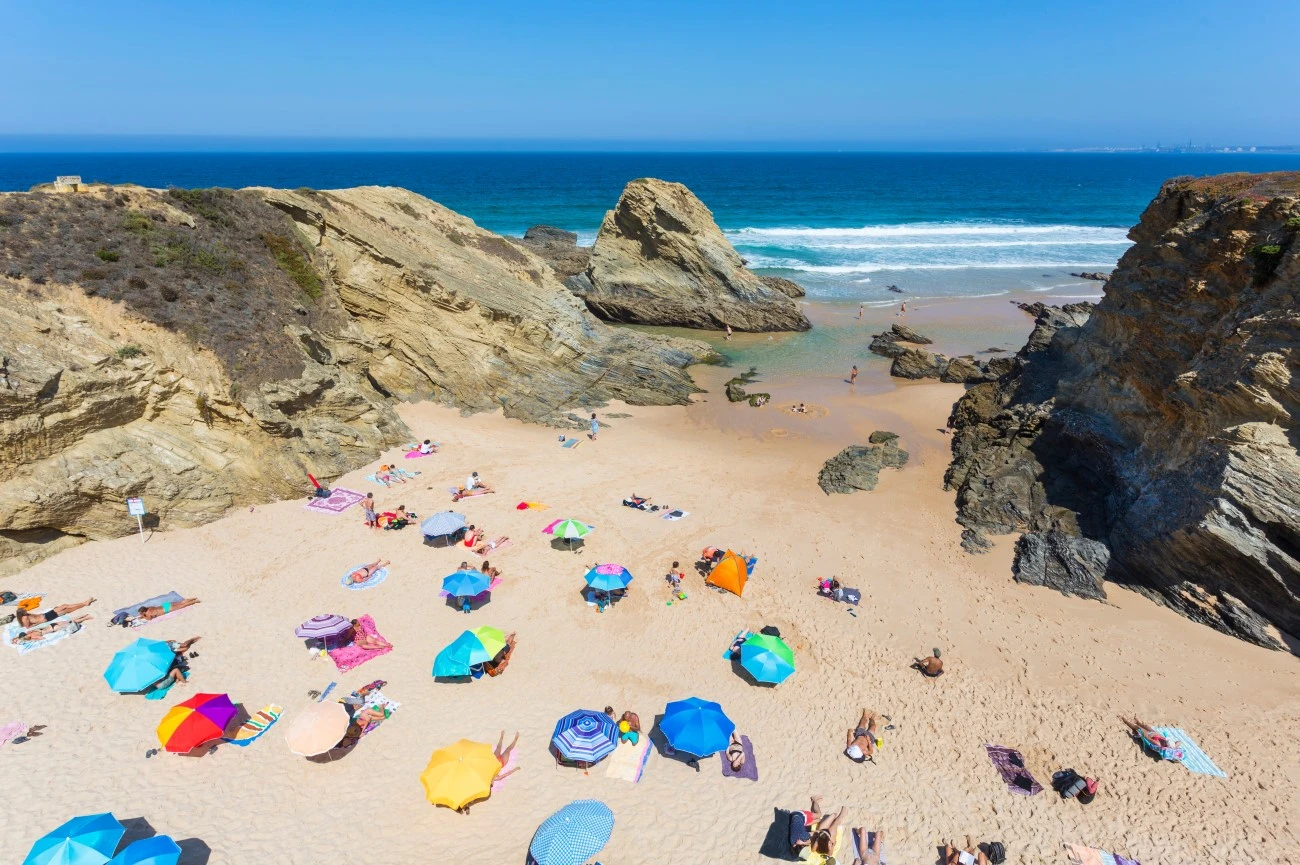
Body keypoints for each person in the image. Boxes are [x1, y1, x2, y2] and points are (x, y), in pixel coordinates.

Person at [1119, 715, 1184, 761]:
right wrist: (1174, 747)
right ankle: (1138, 722)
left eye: (1166, 741)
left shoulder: (1158, 744)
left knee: (1138, 728)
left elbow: (1147, 738)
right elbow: (1179, 742)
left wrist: (1142, 731)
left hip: (1149, 735)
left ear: (1166, 745)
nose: (1165, 739)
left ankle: (1125, 721)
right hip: (1154, 733)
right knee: (1147, 726)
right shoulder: (1170, 745)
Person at [16, 597, 95, 629]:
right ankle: (85, 603)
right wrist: (40, 622)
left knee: (65, 607)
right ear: (22, 613)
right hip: (46, 618)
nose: (26, 610)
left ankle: (85, 603)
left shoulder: (26, 615)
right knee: (66, 608)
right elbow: (28, 627)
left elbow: (35, 616)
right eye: (24, 610)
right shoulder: (25, 618)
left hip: (45, 615)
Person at [15, 614, 92, 643]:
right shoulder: (30, 632)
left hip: (54, 628)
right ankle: (85, 616)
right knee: (69, 621)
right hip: (52, 625)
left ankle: (86, 617)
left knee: (69, 622)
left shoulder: (33, 636)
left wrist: (33, 639)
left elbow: (42, 638)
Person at [129, 597, 200, 624]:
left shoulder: (148, 615)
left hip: (166, 609)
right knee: (181, 602)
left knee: (182, 606)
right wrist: (142, 616)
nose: (141, 614)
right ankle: (193, 598)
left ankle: (195, 601)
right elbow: (147, 615)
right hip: (165, 605)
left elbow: (149, 619)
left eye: (141, 613)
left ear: (144, 612)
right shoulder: (149, 608)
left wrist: (143, 616)